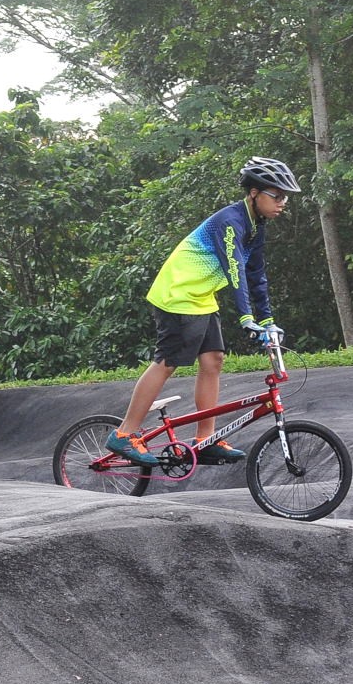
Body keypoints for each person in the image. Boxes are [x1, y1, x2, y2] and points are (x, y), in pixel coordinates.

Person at [104, 156, 301, 468]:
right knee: (167, 362)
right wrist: (246, 318)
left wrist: (268, 321)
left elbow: (256, 274)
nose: (282, 203)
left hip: (201, 296)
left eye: (285, 197)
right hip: (178, 294)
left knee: (213, 360)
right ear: (254, 193)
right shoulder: (230, 222)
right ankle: (125, 434)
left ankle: (204, 440)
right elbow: (234, 270)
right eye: (276, 195)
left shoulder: (256, 226)